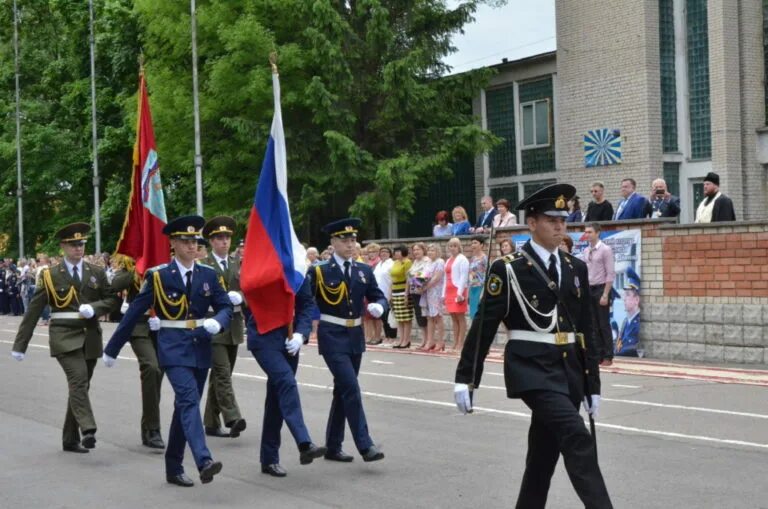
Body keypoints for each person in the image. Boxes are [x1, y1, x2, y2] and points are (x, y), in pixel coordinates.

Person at [453, 183, 612, 509]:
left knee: (541, 461)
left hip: (568, 372)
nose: (559, 226)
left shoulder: (574, 268)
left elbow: (586, 332)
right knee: (577, 437)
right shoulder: (508, 269)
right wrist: (467, 378)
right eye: (551, 220)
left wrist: (591, 384)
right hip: (532, 370)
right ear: (532, 223)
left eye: (563, 221)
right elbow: (484, 327)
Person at [103, 215, 232, 487]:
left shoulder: (209, 275)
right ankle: (203, 460)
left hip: (201, 346)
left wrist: (217, 322)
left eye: (195, 241)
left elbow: (225, 307)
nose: (191, 246)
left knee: (185, 407)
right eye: (185, 241)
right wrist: (112, 349)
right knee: (187, 400)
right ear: (173, 243)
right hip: (173, 347)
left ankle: (173, 467)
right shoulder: (159, 276)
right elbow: (134, 312)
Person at [11, 223, 120, 453]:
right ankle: (87, 429)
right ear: (63, 247)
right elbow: (33, 310)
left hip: (90, 335)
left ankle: (69, 439)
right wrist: (21, 344)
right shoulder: (51, 275)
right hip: (63, 335)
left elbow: (112, 301)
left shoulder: (96, 272)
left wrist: (96, 307)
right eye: (73, 244)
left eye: (81, 244)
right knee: (78, 378)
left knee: (80, 386)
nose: (78, 248)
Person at [309, 217, 388, 463]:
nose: (350, 244)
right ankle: (365, 445)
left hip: (355, 336)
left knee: (342, 390)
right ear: (333, 242)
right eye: (345, 240)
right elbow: (304, 302)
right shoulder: (320, 270)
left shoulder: (363, 270)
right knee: (351, 388)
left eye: (353, 240)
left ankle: (333, 446)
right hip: (332, 335)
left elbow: (379, 296)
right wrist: (302, 330)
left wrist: (379, 306)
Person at [248, 272, 326, 477]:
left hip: (289, 338)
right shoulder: (263, 267)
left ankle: (269, 459)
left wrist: (301, 333)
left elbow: (306, 304)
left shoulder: (297, 270)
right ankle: (304, 442)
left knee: (277, 397)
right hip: (264, 337)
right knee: (286, 382)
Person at [109, 254, 165, 449]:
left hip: (162, 325)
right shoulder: (131, 266)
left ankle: (149, 426)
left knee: (157, 375)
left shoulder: (164, 259)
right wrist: (138, 269)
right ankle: (153, 428)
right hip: (138, 325)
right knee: (151, 367)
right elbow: (115, 284)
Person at [201, 216, 248, 439]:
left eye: (227, 238)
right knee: (222, 374)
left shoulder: (237, 263)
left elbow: (248, 289)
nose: (224, 242)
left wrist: (241, 296)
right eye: (219, 238)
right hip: (214, 326)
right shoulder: (203, 265)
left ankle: (210, 422)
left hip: (235, 326)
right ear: (211, 241)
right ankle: (233, 417)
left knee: (220, 376)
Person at [580, 223, 616, 366]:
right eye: (585, 232)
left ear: (597, 233)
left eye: (589, 232)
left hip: (601, 288)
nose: (587, 234)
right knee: (593, 324)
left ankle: (608, 355)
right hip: (589, 288)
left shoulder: (605, 250)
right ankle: (598, 353)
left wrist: (605, 294)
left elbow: (610, 273)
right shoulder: (586, 250)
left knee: (603, 324)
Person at [443, 237, 468, 352]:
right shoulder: (448, 260)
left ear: (459, 247)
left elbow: (463, 277)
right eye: (451, 246)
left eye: (455, 246)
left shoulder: (462, 259)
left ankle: (461, 343)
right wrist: (443, 294)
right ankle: (455, 341)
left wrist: (460, 293)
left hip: (458, 290)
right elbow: (445, 277)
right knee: (453, 317)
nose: (452, 248)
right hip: (449, 290)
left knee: (460, 317)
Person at [418, 244, 446, 352]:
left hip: (436, 291)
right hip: (428, 292)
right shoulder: (428, 262)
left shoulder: (440, 262)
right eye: (429, 250)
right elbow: (422, 276)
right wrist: (418, 284)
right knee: (429, 317)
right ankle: (430, 341)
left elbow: (436, 278)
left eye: (433, 250)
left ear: (438, 251)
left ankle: (440, 341)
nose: (430, 252)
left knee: (437, 316)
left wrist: (425, 287)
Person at [370, 246, 395, 345]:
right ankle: (387, 336)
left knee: (389, 316)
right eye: (382, 252)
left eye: (386, 252)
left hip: (388, 293)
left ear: (390, 254)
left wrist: (391, 294)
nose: (384, 253)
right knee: (383, 317)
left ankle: (392, 337)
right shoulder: (378, 264)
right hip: (378, 294)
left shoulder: (391, 264)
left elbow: (392, 280)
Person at [389, 245, 413, 348]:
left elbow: (409, 279)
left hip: (403, 291)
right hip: (395, 291)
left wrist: (406, 294)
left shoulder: (407, 262)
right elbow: (392, 278)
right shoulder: (395, 262)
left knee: (406, 318)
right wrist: (390, 293)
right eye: (395, 252)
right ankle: (401, 338)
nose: (396, 253)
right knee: (399, 318)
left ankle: (406, 340)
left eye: (398, 251)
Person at [407, 242, 430, 348]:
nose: (416, 252)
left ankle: (429, 339)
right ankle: (423, 338)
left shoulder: (427, 261)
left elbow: (426, 275)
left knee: (426, 316)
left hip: (424, 292)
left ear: (423, 250)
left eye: (418, 249)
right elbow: (410, 276)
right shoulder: (415, 262)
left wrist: (414, 278)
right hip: (414, 291)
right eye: (414, 250)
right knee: (419, 315)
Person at [615, 268, 641, 357]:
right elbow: (619, 345)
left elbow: (631, 349)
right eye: (624, 294)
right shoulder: (626, 321)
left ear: (636, 300)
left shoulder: (639, 323)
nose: (624, 298)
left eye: (628, 295)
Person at [467, 236, 488, 319]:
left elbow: (487, 273)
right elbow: (470, 271)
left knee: (479, 312)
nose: (473, 245)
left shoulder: (485, 258)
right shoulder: (473, 258)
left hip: (480, 287)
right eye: (472, 243)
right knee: (473, 313)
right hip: (472, 287)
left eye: (475, 243)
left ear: (481, 245)